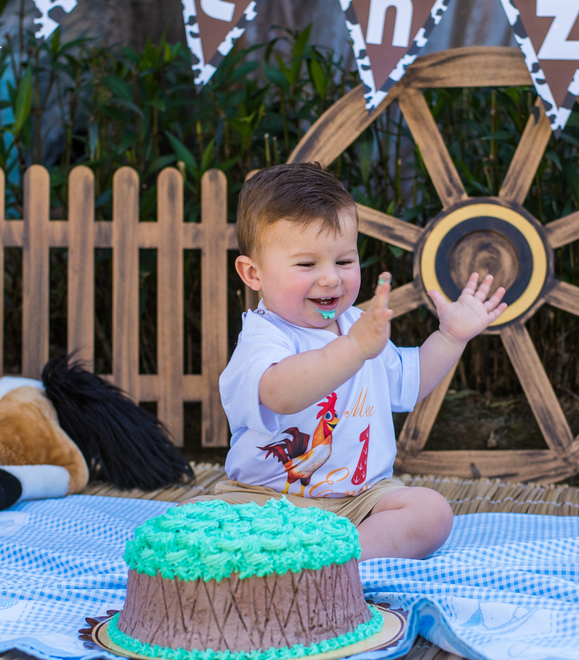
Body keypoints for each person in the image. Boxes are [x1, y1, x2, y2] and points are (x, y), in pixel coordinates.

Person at [207, 162, 507, 560]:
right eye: (307, 264)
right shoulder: (265, 337)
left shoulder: (359, 327)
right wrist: (353, 349)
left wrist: (451, 337)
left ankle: (339, 562)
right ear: (253, 274)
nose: (330, 278)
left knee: (430, 512)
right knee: (201, 525)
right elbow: (280, 392)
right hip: (265, 502)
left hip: (360, 503)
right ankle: (311, 561)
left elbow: (409, 384)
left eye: (344, 261)